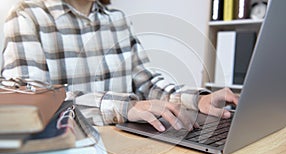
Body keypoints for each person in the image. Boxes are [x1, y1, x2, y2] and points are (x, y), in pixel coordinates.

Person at [1, 0, 239, 132]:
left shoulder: (118, 21)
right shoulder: (26, 16)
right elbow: (30, 101)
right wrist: (125, 107)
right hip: (67, 149)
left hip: (128, 143)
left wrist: (196, 100)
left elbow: (147, 83)